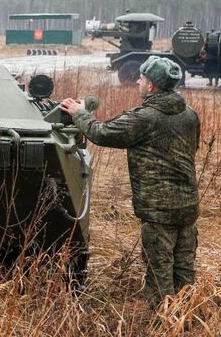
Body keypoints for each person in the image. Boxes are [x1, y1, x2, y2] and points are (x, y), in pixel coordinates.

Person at [61, 56, 200, 311]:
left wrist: (80, 114)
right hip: (188, 204)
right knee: (183, 268)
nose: (137, 80)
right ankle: (186, 318)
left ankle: (165, 321)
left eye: (142, 78)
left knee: (159, 271)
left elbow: (102, 133)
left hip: (159, 209)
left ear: (151, 87)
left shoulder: (145, 117)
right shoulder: (189, 114)